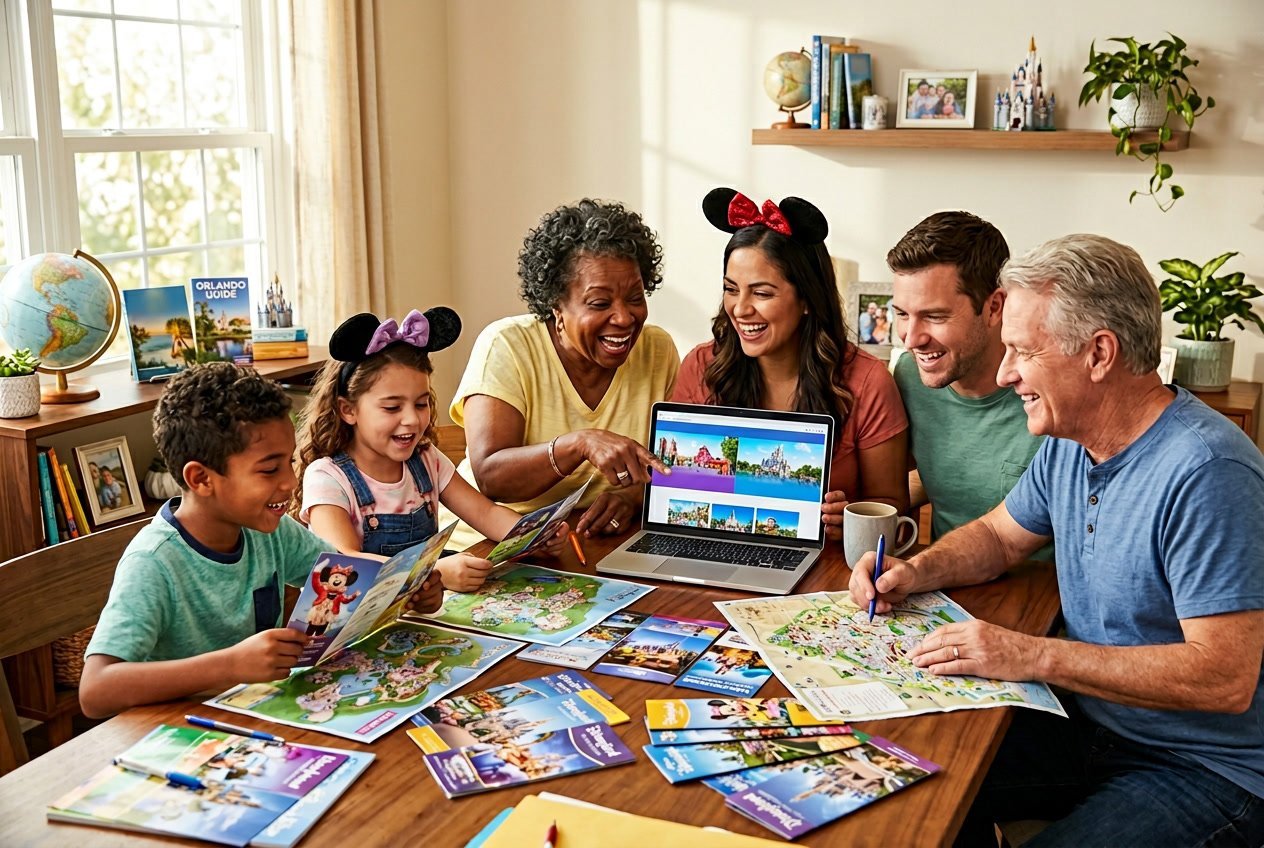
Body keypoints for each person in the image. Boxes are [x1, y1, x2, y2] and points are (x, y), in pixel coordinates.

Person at [852, 234, 1264, 847]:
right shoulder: (1071, 441)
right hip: (1089, 723)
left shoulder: (1208, 471)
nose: (1005, 372)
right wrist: (916, 572)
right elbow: (999, 537)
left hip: (1204, 768)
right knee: (894, 780)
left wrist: (1030, 655)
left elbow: (1224, 677)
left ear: (1099, 353)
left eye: (1023, 350)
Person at [78, 364, 446, 718]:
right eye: (270, 469)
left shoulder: (271, 531)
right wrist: (231, 665)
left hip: (259, 713)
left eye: (289, 462)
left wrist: (410, 583)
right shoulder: (153, 563)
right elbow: (95, 691)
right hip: (181, 729)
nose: (290, 482)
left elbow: (352, 576)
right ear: (201, 479)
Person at [441, 199, 679, 550]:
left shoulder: (657, 350)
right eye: (600, 303)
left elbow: (670, 469)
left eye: (635, 298)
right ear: (556, 306)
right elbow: (491, 477)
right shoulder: (508, 345)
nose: (624, 318)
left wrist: (631, 498)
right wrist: (579, 444)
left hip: (583, 545)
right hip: (483, 547)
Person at [673, 188, 908, 542]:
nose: (740, 309)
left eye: (762, 293)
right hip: (711, 549)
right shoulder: (701, 365)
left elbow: (893, 507)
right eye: (731, 289)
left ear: (807, 300)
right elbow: (676, 486)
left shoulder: (867, 382)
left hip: (826, 563)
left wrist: (850, 519)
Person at [294, 308, 567, 592]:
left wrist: (532, 535)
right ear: (348, 410)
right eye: (392, 407)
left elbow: (486, 513)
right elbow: (345, 564)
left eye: (421, 404)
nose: (412, 419)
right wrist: (429, 574)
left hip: (422, 606)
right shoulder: (327, 478)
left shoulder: (426, 459)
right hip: (357, 613)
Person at [887, 211, 1046, 545]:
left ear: (994, 307)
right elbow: (939, 477)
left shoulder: (1049, 390)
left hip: (1037, 579)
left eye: (934, 316)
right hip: (941, 573)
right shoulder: (909, 377)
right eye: (901, 313)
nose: (911, 338)